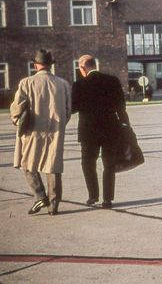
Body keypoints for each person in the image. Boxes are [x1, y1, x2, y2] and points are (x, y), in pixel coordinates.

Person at [10, 50, 71, 216]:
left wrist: (17, 121)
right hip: (55, 131)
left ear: (35, 64)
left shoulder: (26, 83)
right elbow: (68, 111)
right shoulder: (63, 84)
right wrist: (60, 125)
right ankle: (53, 205)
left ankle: (39, 195)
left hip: (33, 131)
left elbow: (17, 106)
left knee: (27, 163)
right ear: (51, 64)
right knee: (53, 166)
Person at [72, 54, 130, 209]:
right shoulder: (112, 81)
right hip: (110, 128)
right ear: (95, 65)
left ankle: (93, 195)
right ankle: (107, 199)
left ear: (82, 68)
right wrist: (126, 125)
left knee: (88, 163)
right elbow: (121, 107)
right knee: (109, 164)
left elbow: (73, 108)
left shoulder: (79, 85)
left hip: (88, 131)